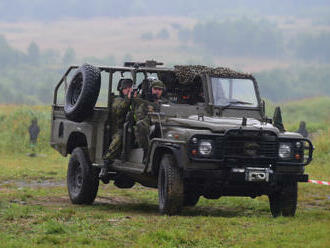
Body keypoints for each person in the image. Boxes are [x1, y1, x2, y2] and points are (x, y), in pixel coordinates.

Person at [100, 78, 133, 178]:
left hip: (130, 127)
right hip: (117, 129)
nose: (128, 90)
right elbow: (120, 110)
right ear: (121, 89)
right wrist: (129, 98)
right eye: (126, 88)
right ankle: (106, 163)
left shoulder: (132, 99)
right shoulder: (117, 100)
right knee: (120, 137)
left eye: (130, 88)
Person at [134, 79, 166, 160]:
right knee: (141, 125)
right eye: (155, 89)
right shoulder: (144, 101)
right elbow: (139, 116)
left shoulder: (165, 102)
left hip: (163, 125)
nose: (157, 91)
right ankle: (146, 152)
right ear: (151, 89)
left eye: (160, 89)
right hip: (149, 126)